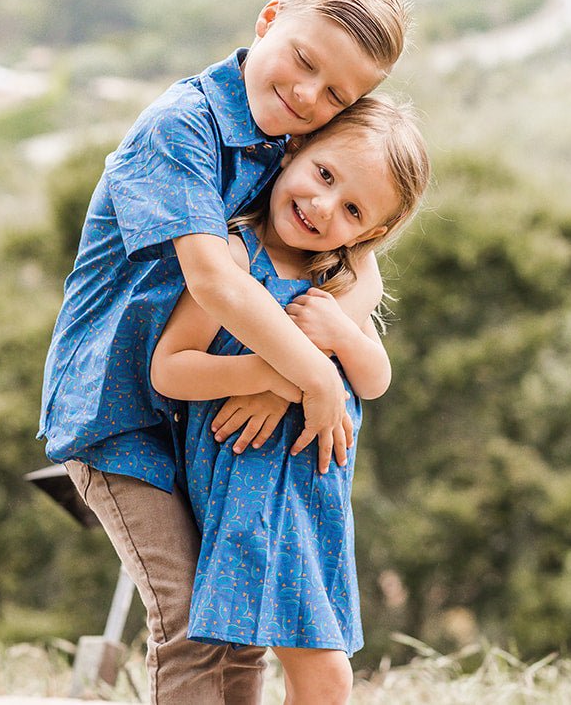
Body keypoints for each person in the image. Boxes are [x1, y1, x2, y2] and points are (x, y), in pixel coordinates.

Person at [38, 0, 410, 704]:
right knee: (190, 622)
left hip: (202, 423)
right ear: (269, 18)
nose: (308, 94)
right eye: (304, 61)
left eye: (337, 93)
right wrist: (307, 377)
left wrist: (298, 370)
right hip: (119, 415)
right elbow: (214, 280)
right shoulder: (182, 128)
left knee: (233, 623)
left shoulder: (294, 149)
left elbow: (356, 267)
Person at [151, 95, 430, 705]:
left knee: (288, 668)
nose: (321, 206)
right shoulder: (233, 258)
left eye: (352, 208)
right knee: (323, 675)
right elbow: (171, 370)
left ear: (372, 233)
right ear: (297, 148)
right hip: (252, 495)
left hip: (315, 505)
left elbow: (376, 379)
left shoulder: (341, 282)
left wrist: (337, 338)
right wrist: (274, 374)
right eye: (324, 175)